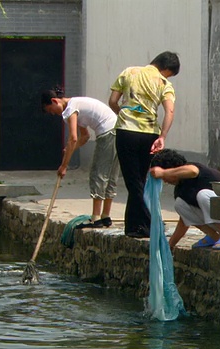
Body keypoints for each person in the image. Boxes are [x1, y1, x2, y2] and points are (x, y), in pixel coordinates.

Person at [108, 51, 180, 238]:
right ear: (166, 69)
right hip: (150, 134)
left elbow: (113, 101)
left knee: (133, 182)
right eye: (168, 74)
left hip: (126, 132)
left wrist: (124, 115)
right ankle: (134, 227)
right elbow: (169, 112)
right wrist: (162, 136)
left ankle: (150, 222)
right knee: (139, 180)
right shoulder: (164, 84)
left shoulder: (129, 72)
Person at [42, 88, 119, 227]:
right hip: (117, 130)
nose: (54, 114)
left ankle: (96, 218)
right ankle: (105, 216)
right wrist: (71, 149)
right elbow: (84, 137)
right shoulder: (76, 105)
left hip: (108, 133)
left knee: (99, 174)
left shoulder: (71, 108)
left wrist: (64, 166)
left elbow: (73, 138)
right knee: (110, 175)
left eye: (51, 110)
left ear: (54, 101)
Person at [149, 149, 220, 250]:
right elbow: (184, 220)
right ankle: (213, 235)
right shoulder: (180, 190)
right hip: (218, 215)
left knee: (203, 195)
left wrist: (163, 172)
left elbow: (193, 171)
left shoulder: (192, 168)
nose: (164, 180)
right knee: (180, 204)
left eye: (165, 176)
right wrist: (170, 244)